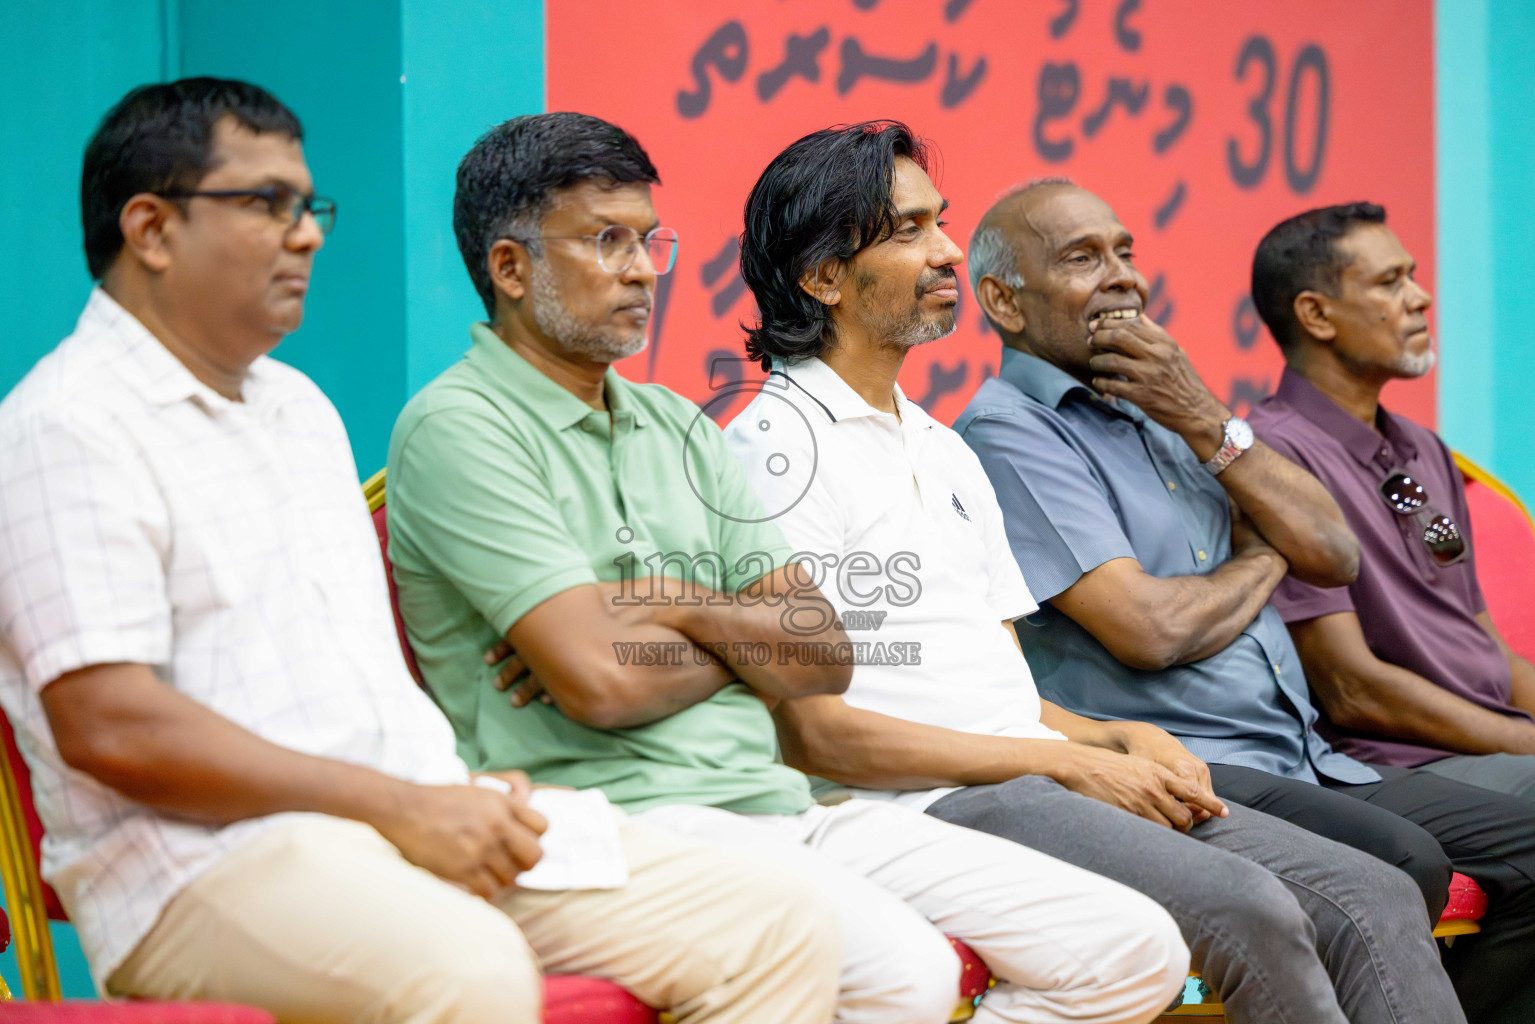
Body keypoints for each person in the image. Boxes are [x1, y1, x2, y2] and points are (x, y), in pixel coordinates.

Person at [0, 78, 844, 1024]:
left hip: (409, 823)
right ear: (151, 229)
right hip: (207, 863)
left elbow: (823, 657)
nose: (308, 233)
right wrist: (397, 805)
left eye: (309, 205)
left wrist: (436, 797)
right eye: (266, 204)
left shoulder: (297, 411)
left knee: (779, 922)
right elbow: (111, 727)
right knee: (468, 972)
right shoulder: (66, 427)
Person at [385, 112, 1190, 1024]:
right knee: (904, 975)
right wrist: (738, 636)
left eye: (650, 240)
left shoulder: (675, 424)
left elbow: (819, 657)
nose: (644, 267)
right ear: (510, 268)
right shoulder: (460, 427)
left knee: (1132, 951)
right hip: (618, 815)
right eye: (607, 241)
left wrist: (669, 606)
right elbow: (602, 686)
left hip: (779, 807)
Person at [723, 121, 1464, 1024]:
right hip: (922, 801)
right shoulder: (771, 451)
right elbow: (816, 736)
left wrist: (1110, 739)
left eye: (940, 222)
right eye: (908, 230)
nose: (948, 249)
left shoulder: (936, 445)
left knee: (1375, 892)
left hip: (1021, 773)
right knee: (1255, 909)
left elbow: (997, 686)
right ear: (824, 276)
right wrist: (1067, 765)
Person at [954, 178, 1535, 1024]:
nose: (1121, 277)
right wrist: (1261, 558)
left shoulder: (1170, 409)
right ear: (1003, 300)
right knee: (1400, 862)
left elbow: (1330, 554)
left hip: (1308, 757)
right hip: (1189, 760)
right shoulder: (1010, 431)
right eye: (1082, 258)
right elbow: (1149, 629)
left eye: (1124, 252)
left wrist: (1196, 413)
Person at [1246, 202, 1535, 800]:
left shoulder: (1425, 447)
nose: (1421, 297)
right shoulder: (1272, 459)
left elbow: (1487, 645)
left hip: (1497, 744)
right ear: (1317, 315)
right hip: (1403, 766)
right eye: (1390, 282)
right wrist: (1523, 740)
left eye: (1412, 274)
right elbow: (1352, 687)